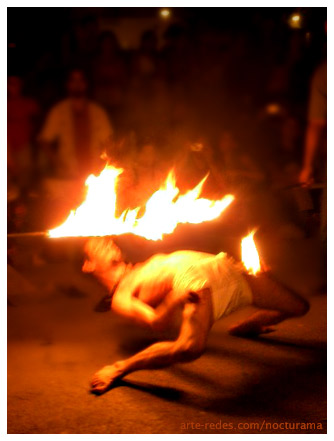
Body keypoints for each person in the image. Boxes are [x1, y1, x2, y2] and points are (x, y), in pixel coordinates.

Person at [84, 237, 309, 394]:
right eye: (96, 246)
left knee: (300, 307)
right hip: (193, 281)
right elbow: (157, 322)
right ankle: (119, 368)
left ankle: (251, 325)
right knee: (189, 347)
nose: (106, 242)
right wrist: (175, 298)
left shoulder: (139, 266)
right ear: (88, 265)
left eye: (105, 240)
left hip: (226, 267)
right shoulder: (120, 296)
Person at [38, 68, 113, 180]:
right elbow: (44, 140)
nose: (77, 84)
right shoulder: (59, 111)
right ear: (68, 84)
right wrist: (57, 162)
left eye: (80, 80)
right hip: (69, 172)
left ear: (86, 84)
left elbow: (109, 141)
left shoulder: (98, 112)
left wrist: (105, 163)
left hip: (94, 171)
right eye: (73, 80)